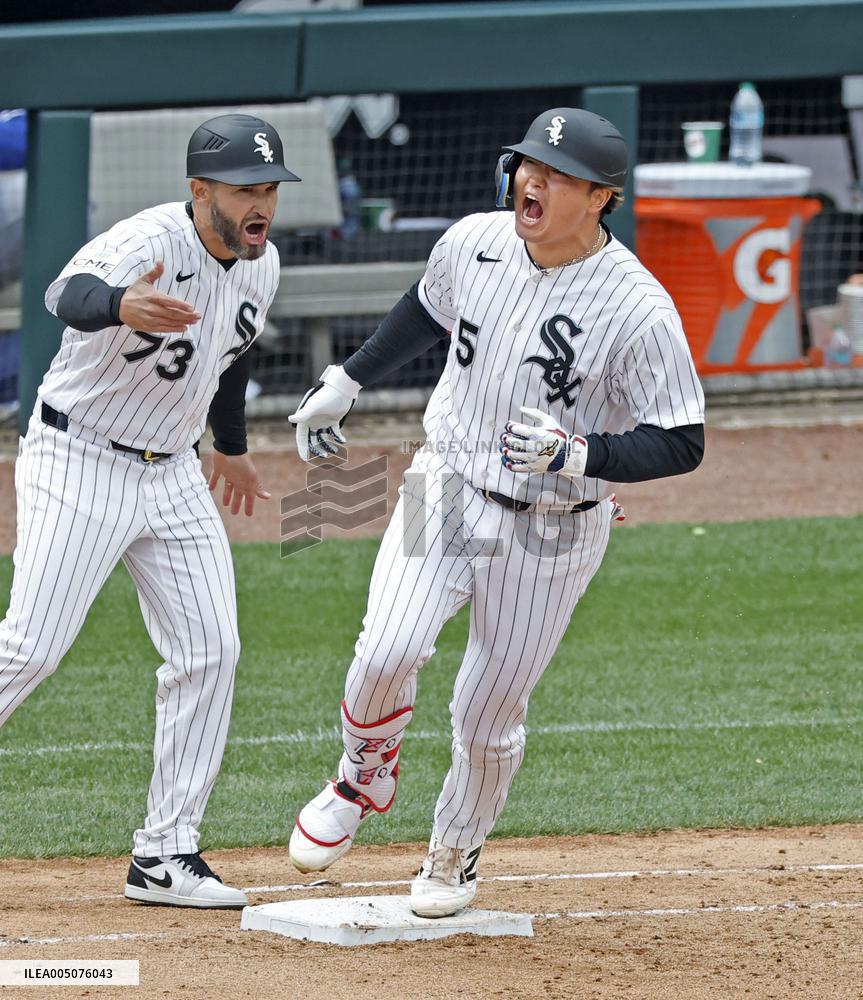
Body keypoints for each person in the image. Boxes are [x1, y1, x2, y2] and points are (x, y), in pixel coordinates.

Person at [287, 107, 705, 917]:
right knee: (386, 649)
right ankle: (361, 777)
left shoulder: (637, 309)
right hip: (444, 483)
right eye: (526, 166)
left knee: (486, 716)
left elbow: (681, 440)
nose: (530, 183)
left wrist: (581, 453)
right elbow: (427, 306)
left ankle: (454, 848)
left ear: (600, 197)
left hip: (556, 524)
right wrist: (348, 378)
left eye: (555, 175)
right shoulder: (473, 240)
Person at [0, 113, 298, 908]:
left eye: (269, 188)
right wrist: (120, 304)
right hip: (80, 458)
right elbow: (64, 293)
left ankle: (165, 854)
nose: (261, 204)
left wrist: (230, 447)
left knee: (212, 651)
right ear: (201, 190)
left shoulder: (262, 266)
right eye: (245, 189)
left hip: (173, 474)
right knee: (31, 648)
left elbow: (229, 358)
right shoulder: (150, 240)